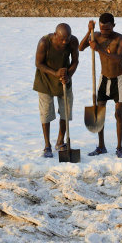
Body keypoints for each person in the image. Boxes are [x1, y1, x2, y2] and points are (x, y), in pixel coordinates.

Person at [79, 13, 122, 159]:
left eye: (107, 30)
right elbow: (81, 48)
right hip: (103, 79)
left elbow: (118, 59)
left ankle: (119, 147)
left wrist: (98, 49)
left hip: (119, 80)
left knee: (118, 113)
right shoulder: (96, 35)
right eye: (102, 29)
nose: (105, 33)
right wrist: (89, 32)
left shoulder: (121, 38)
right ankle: (101, 146)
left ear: (113, 26)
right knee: (99, 113)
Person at [33, 23, 79, 158]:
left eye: (67, 38)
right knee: (46, 112)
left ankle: (60, 141)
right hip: (45, 79)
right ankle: (47, 145)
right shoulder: (44, 42)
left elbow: (75, 61)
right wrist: (55, 73)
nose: (65, 42)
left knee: (66, 111)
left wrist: (68, 76)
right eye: (62, 39)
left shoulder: (73, 41)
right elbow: (38, 63)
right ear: (55, 35)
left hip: (64, 79)